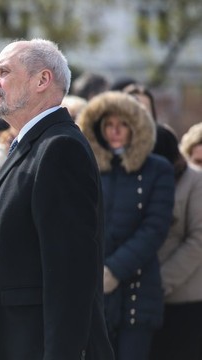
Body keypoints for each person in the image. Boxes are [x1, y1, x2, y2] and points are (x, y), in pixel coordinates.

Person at [0, 39, 113, 360]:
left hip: (34, 346)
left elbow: (71, 274)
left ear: (42, 80)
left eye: (3, 72)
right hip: (12, 342)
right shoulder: (30, 145)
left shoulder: (60, 148)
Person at [77, 91, 175, 360]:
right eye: (109, 124)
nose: (115, 131)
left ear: (136, 127)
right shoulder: (88, 167)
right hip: (94, 287)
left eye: (122, 124)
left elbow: (155, 228)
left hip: (138, 288)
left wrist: (115, 269)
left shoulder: (158, 169)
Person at [149, 132, 202, 360]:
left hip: (185, 300)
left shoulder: (194, 181)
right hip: (150, 302)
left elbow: (197, 241)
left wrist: (159, 282)